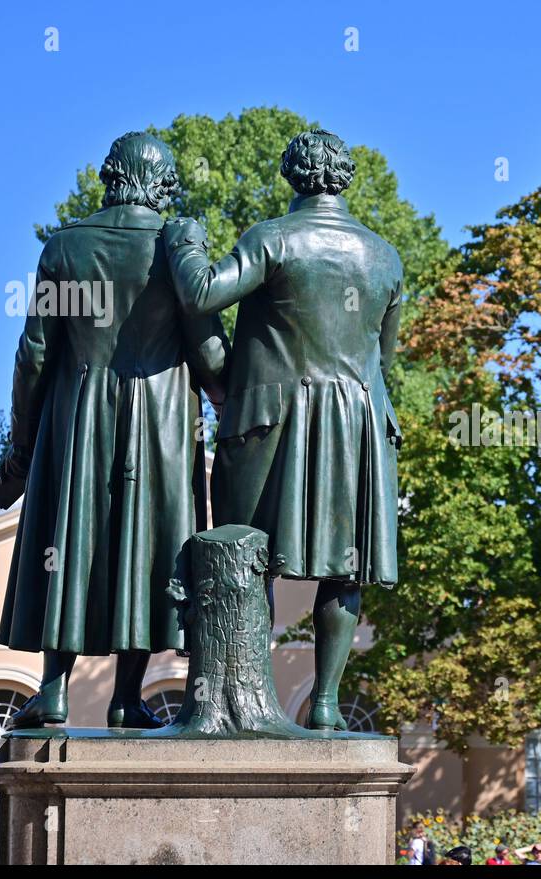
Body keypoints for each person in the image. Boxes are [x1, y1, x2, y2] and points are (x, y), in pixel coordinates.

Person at [164, 128, 403, 730]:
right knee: (346, 570)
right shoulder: (385, 256)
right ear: (344, 176)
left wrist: (185, 241)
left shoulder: (273, 238)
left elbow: (199, 295)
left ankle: (256, 699)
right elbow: (386, 358)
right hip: (357, 425)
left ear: (293, 176)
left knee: (247, 556)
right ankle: (324, 703)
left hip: (270, 423)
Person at [0, 131, 229, 729]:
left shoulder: (65, 248)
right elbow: (210, 355)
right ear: (162, 185)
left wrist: (22, 448)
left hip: (78, 414)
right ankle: (128, 697)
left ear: (109, 177)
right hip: (164, 423)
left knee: (67, 542)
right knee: (150, 548)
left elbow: (34, 356)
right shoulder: (177, 248)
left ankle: (53, 688)